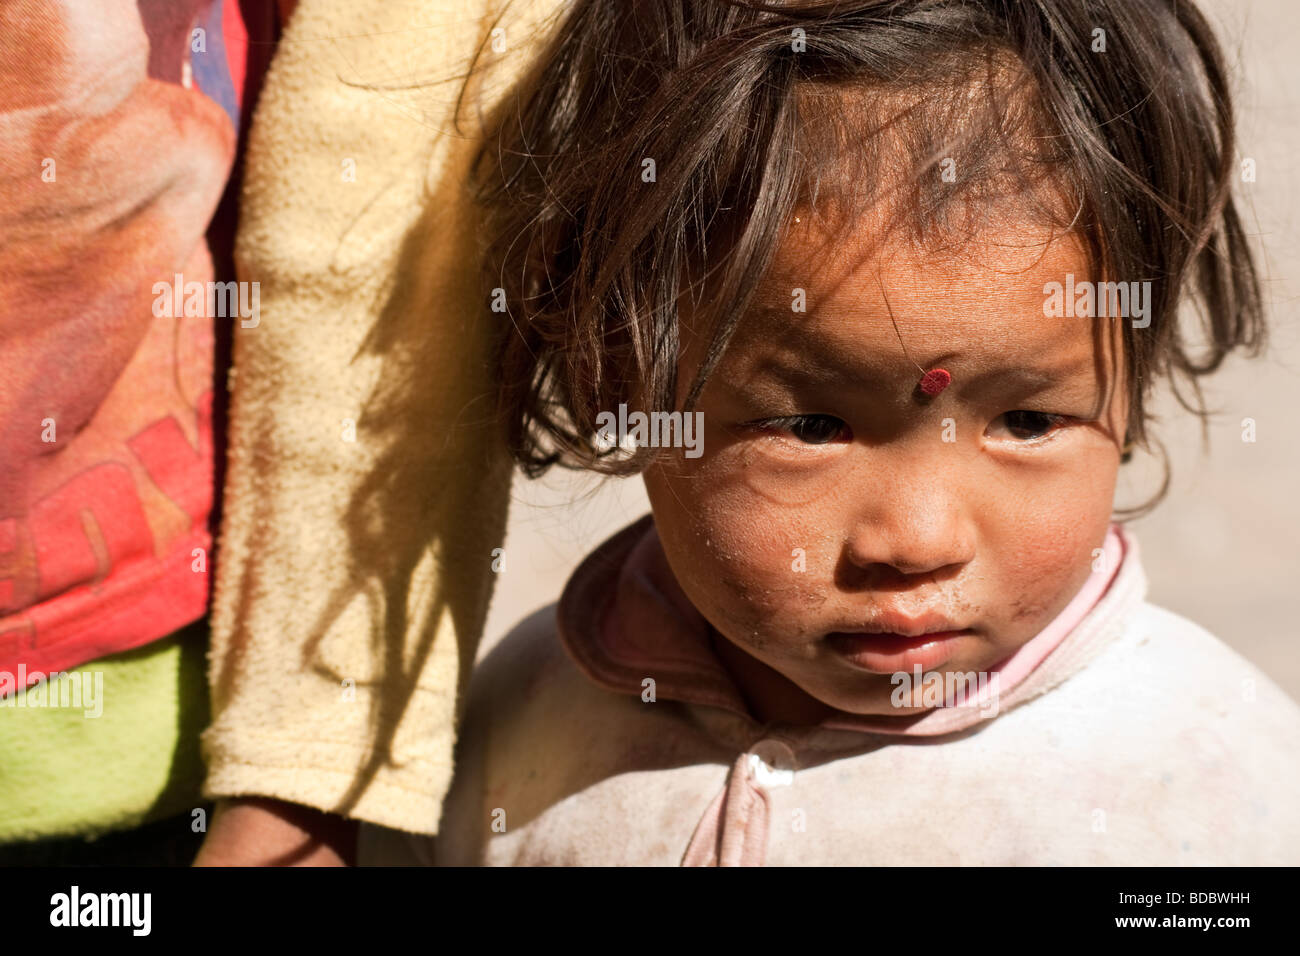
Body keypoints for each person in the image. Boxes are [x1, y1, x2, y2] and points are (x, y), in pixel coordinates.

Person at [362, 0, 1300, 865]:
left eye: (1027, 421)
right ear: (623, 377)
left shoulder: (1211, 772)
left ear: (1127, 390)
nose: (919, 542)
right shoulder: (521, 717)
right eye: (811, 426)